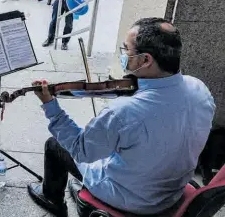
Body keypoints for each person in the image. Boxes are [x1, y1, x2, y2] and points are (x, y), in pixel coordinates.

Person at [28, 17, 215, 217]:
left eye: (126, 50)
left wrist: (50, 105)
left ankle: (51, 197)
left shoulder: (123, 112)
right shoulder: (199, 89)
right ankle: (83, 186)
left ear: (146, 60)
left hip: (130, 199)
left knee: (55, 144)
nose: (123, 55)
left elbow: (82, 151)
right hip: (172, 192)